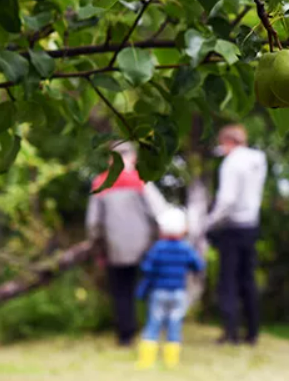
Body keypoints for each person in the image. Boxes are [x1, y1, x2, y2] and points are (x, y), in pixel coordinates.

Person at [86, 142, 168, 346]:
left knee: (121, 291)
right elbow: (159, 213)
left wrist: (98, 247)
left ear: (110, 159)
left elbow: (93, 222)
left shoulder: (100, 182)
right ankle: (154, 331)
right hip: (146, 247)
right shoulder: (141, 180)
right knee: (151, 288)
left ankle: (126, 336)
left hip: (115, 248)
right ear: (133, 158)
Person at [208, 124, 268, 345]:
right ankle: (252, 332)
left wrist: (210, 222)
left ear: (228, 142)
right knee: (248, 279)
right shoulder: (258, 161)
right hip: (251, 224)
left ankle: (230, 331)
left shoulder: (231, 163)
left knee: (228, 281)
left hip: (232, 227)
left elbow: (227, 200)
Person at [136, 208, 204, 370]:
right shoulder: (185, 248)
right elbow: (198, 265)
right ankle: (171, 361)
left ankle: (146, 360)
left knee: (153, 323)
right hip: (178, 293)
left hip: (159, 292)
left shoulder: (158, 248)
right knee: (175, 324)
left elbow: (147, 268)